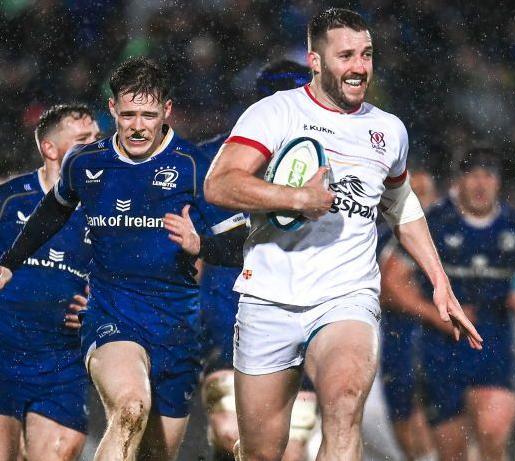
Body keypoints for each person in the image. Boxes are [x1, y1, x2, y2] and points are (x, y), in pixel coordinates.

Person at [203, 8, 482, 460]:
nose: (359, 67)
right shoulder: (274, 112)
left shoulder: (387, 130)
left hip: (345, 297)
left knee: (344, 401)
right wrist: (296, 199)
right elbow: (219, 184)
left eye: (367, 55)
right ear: (315, 62)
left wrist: (439, 280)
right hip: (269, 297)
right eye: (346, 55)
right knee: (259, 451)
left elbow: (401, 204)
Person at [0, 57, 247, 460]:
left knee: (155, 454)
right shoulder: (87, 162)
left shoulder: (196, 168)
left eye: (148, 115)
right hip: (112, 314)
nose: (137, 126)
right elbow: (52, 211)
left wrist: (200, 245)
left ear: (167, 111)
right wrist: (10, 262)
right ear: (112, 109)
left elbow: (240, 246)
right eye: (128, 114)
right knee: (130, 407)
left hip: (177, 328)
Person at [381, 148, 515, 461]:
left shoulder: (513, 225)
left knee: (492, 434)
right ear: (457, 181)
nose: (480, 184)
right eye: (472, 175)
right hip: (442, 348)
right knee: (452, 452)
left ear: (498, 183)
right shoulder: (435, 221)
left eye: (488, 175)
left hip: (494, 343)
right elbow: (391, 279)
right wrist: (436, 315)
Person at [196, 60, 313, 461]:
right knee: (230, 430)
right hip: (227, 312)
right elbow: (187, 244)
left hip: (300, 315)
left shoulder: (329, 159)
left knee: (291, 449)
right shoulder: (208, 162)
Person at [0, 104, 99, 461]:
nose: (95, 146)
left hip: (61, 360)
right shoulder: (9, 199)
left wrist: (99, 306)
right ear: (50, 149)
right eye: (83, 139)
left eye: (98, 139)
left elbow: (126, 274)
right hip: (3, 352)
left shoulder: (106, 210)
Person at [378, 168, 440, 461]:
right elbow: (386, 290)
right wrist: (432, 312)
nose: (418, 202)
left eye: (423, 193)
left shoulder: (448, 232)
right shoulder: (377, 235)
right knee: (403, 411)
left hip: (437, 337)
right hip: (394, 333)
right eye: (410, 194)